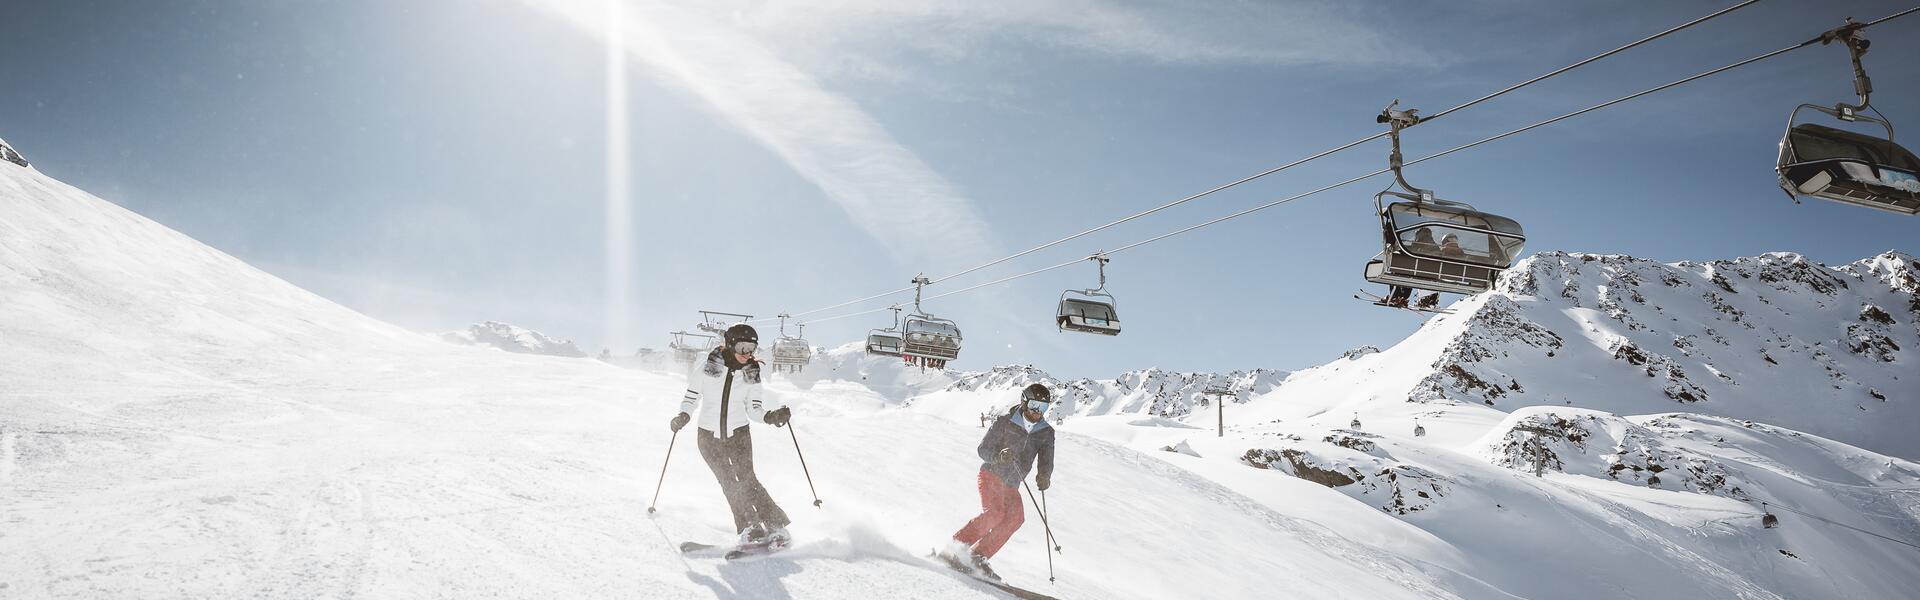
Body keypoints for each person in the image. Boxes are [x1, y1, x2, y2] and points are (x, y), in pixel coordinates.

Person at [669, 323, 795, 548]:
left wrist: (771, 416)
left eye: (752, 348)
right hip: (708, 437)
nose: (748, 353)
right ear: (729, 343)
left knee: (748, 480)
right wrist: (684, 415)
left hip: (738, 435)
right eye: (743, 346)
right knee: (729, 482)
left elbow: (754, 409)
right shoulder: (708, 367)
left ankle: (776, 526)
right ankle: (751, 528)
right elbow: (691, 396)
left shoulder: (751, 373)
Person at [942, 383, 1057, 581]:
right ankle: (953, 549)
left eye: (1043, 407)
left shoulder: (1046, 432)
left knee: (1015, 518)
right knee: (995, 513)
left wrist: (1044, 475)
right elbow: (983, 450)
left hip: (1012, 484)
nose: (1038, 412)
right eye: (1035, 405)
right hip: (991, 474)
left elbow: (1046, 460)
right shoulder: (1005, 421)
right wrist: (999, 456)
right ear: (1024, 402)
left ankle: (976, 558)